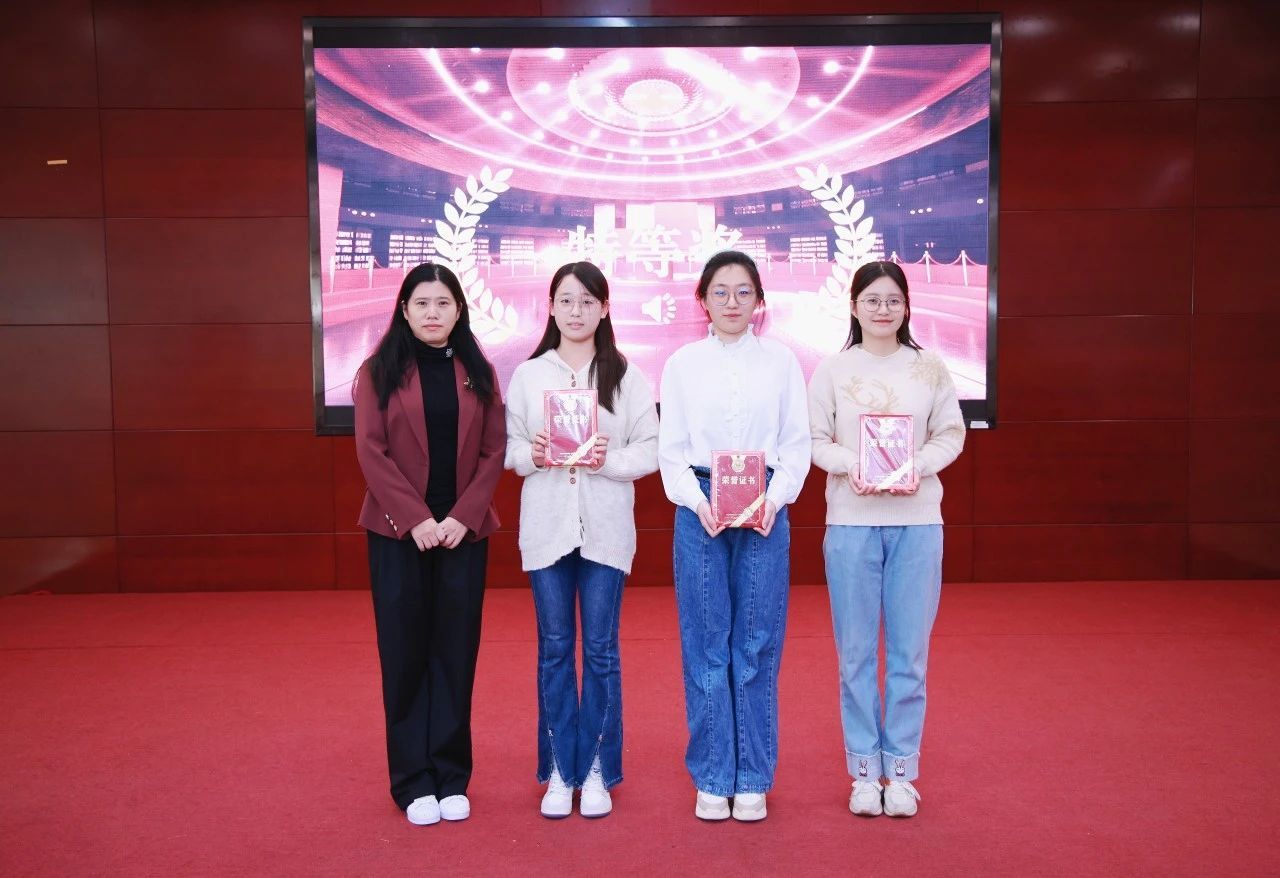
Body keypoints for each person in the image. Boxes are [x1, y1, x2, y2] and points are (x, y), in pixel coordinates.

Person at [807, 260, 965, 818]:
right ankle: (862, 772)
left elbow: (951, 434)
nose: (882, 309)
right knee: (854, 655)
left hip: (917, 523)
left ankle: (900, 770)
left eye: (893, 300)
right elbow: (814, 440)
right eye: (871, 300)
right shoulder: (831, 370)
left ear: (906, 307)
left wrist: (915, 466)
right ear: (853, 307)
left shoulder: (930, 368)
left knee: (908, 656)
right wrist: (853, 465)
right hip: (851, 522)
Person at [657, 250, 811, 822]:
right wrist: (699, 502)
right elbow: (671, 450)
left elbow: (796, 444)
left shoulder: (782, 362)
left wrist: (775, 498)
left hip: (765, 504)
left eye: (743, 291)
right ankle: (713, 774)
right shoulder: (682, 364)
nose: (732, 302)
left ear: (759, 301)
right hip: (699, 506)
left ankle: (752, 778)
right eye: (720, 292)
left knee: (756, 644)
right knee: (705, 644)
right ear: (702, 299)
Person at [352, 261, 506, 826]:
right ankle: (412, 780)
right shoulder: (378, 371)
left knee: (455, 654)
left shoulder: (479, 371)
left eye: (443, 303)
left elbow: (493, 451)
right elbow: (371, 451)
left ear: (459, 310)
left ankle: (451, 775)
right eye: (422, 303)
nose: (433, 313)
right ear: (404, 309)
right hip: (399, 535)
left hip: (463, 533)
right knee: (405, 653)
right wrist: (415, 519)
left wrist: (463, 516)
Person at [505, 262, 659, 819]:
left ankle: (595, 767)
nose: (576, 311)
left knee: (599, 650)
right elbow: (509, 448)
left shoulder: (626, 375)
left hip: (605, 530)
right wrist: (533, 453)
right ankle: (557, 769)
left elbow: (650, 449)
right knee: (553, 649)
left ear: (605, 308)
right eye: (566, 301)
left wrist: (606, 460)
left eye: (588, 301)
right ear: (550, 307)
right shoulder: (528, 375)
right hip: (547, 528)